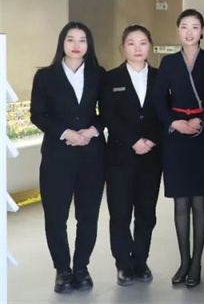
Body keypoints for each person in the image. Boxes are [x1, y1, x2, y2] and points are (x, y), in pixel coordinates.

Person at [30, 22, 106, 293]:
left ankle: (81, 267)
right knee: (55, 216)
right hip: (57, 156)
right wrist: (65, 133)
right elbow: (37, 114)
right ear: (62, 42)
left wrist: (93, 130)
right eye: (70, 39)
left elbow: (109, 110)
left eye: (82, 40)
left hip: (91, 156)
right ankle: (62, 270)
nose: (76, 45)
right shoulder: (45, 76)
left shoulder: (99, 74)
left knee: (88, 215)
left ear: (89, 44)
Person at [154, 9, 204, 288]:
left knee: (199, 200)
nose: (190, 32)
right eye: (184, 26)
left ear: (202, 31)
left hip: (202, 134)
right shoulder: (168, 62)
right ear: (178, 30)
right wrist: (174, 122)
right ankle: (184, 261)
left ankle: (197, 262)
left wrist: (203, 120)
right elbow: (159, 100)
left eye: (195, 27)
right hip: (176, 136)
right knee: (180, 201)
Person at [101, 25, 162, 286]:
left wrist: (151, 139)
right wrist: (133, 141)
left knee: (147, 213)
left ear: (150, 46)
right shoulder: (110, 78)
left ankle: (141, 261)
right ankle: (123, 264)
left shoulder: (161, 77)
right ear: (123, 47)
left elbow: (166, 112)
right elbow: (108, 115)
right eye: (131, 43)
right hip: (119, 157)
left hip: (151, 156)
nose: (137, 48)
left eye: (143, 43)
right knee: (120, 213)